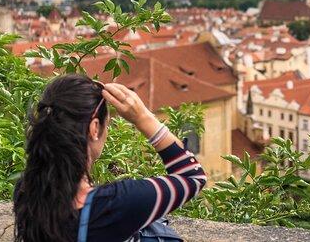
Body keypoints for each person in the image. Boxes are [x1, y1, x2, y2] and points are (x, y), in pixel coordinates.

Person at [13, 74, 206, 242]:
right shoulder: (113, 204)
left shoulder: (26, 190)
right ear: (94, 128)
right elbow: (193, 177)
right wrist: (143, 118)